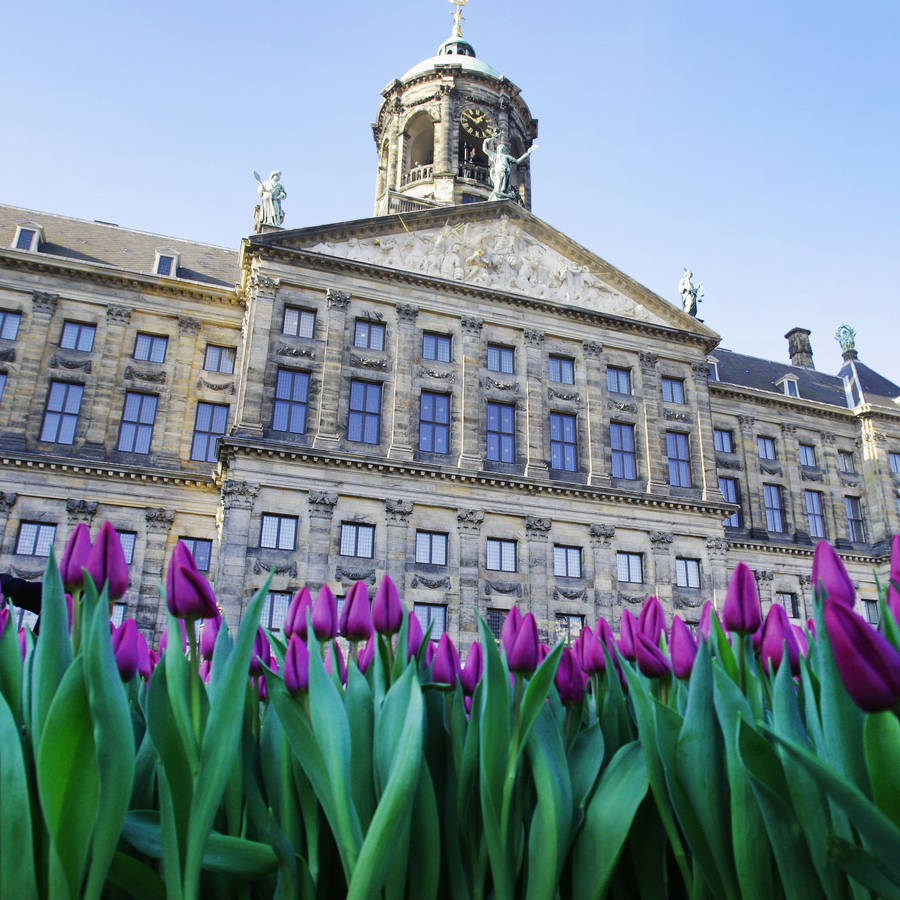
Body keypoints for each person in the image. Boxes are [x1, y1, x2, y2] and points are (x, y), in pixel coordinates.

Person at [482, 132, 538, 201]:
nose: (501, 148)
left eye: (503, 148)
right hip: (500, 171)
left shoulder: (507, 157)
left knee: (503, 186)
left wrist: (527, 153)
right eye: (500, 147)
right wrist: (491, 138)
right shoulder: (495, 156)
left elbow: (518, 161)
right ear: (498, 149)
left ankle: (503, 193)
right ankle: (500, 193)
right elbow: (485, 149)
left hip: (506, 171)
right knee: (500, 182)